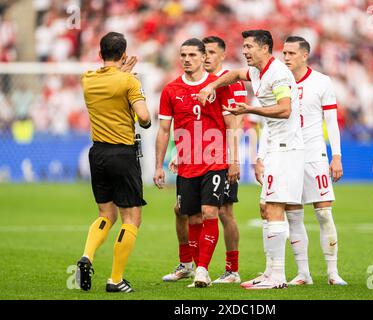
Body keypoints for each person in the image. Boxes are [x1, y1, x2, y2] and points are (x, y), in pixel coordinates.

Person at [199, 29, 304, 290]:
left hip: (286, 148)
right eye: (243, 46)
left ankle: (278, 277)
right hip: (273, 148)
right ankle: (270, 272)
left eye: (249, 47)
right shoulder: (258, 71)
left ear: (265, 48)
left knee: (275, 207)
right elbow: (233, 74)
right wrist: (211, 85)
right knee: (265, 208)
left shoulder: (278, 73)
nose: (244, 51)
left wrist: (250, 108)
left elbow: (285, 108)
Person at [154, 38, 239, 288]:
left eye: (192, 54)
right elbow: (163, 131)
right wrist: (159, 164)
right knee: (191, 218)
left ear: (204, 57)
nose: (187, 59)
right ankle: (191, 266)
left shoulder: (218, 87)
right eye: (183, 55)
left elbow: (231, 125)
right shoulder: (171, 90)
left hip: (215, 161)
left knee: (211, 211)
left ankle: (203, 270)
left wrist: (233, 160)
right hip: (187, 164)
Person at [76, 32, 151, 293]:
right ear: (123, 54)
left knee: (106, 214)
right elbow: (144, 119)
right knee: (131, 218)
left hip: (97, 153)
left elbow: (109, 79)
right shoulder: (128, 82)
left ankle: (87, 255)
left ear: (100, 54)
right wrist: (132, 84)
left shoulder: (87, 79)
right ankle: (115, 279)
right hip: (122, 153)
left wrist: (122, 73)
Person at [281, 36, 346, 285]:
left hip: (314, 154)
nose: (286, 57)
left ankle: (332, 272)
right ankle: (303, 273)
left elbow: (331, 121)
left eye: (291, 53)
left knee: (324, 213)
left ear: (304, 55)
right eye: (284, 53)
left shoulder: (321, 82)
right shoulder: (279, 81)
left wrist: (336, 155)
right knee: (293, 215)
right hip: (288, 154)